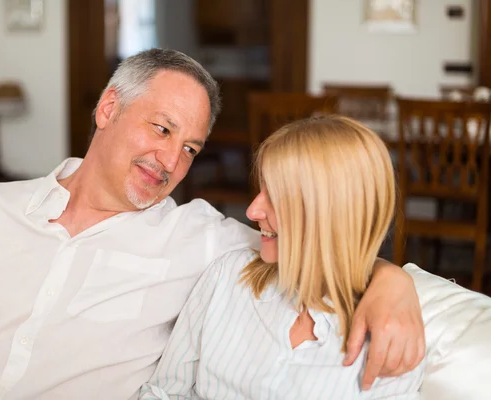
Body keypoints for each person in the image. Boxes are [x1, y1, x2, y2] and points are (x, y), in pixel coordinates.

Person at [0, 49, 423, 400]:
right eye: (161, 128)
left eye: (189, 147)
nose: (170, 160)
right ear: (107, 109)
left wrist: (391, 282)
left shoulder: (202, 241)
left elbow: (316, 237)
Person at [140, 116, 426, 399]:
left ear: (330, 213)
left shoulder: (392, 336)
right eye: (261, 189)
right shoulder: (226, 277)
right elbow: (164, 392)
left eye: (276, 196)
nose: (252, 211)